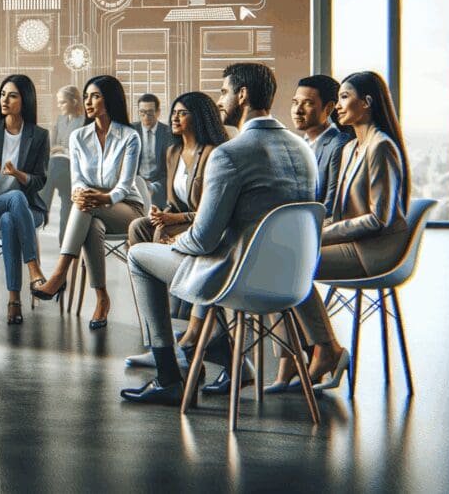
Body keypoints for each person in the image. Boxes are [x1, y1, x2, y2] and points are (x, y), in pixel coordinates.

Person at [120, 63, 316, 405]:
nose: (221, 100)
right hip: (293, 280)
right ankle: (218, 355)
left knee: (139, 256)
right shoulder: (303, 150)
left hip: (239, 278)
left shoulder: (230, 154)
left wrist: (173, 242)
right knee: (200, 262)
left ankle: (168, 377)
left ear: (243, 95)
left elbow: (203, 239)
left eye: (224, 92)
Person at [268, 71, 409, 393]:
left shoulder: (381, 147)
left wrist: (319, 235)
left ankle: (325, 350)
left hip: (375, 251)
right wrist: (313, 230)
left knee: (289, 265)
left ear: (367, 102)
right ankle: (304, 355)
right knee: (278, 260)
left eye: (345, 97)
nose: (339, 105)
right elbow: (342, 212)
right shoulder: (351, 148)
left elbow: (379, 220)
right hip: (354, 241)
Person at [123, 91, 228, 371]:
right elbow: (173, 200)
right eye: (174, 113)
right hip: (179, 218)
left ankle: (168, 341)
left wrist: (173, 218)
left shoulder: (212, 154)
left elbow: (211, 211)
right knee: (139, 227)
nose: (175, 118)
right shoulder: (173, 152)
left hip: (202, 224)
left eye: (183, 113)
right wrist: (160, 213)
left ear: (200, 117)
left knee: (158, 235)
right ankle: (157, 337)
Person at [32, 76, 144, 330]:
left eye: (95, 96)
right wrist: (79, 193)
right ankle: (102, 299)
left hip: (127, 208)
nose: (88, 102)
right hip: (93, 207)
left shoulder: (130, 136)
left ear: (110, 99)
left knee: (86, 206)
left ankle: (59, 274)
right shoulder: (79, 137)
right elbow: (79, 179)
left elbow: (125, 184)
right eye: (86, 97)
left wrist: (102, 198)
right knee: (90, 223)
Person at [0, 74, 50, 324]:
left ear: (25, 100)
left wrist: (18, 174)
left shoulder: (39, 136)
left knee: (9, 220)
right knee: (13, 198)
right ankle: (34, 269)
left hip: (27, 210)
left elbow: (40, 181)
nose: (4, 100)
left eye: (12, 95)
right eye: (3, 94)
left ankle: (14, 299)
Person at [290, 75, 351, 209]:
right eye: (295, 102)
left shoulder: (339, 145)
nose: (298, 110)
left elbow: (331, 205)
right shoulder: (299, 144)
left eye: (308, 103)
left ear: (328, 108)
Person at [38, 85, 84, 245]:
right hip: (57, 165)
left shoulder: (84, 122)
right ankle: (64, 243)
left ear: (74, 101)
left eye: (62, 102)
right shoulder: (60, 120)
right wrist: (60, 149)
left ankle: (41, 210)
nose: (59, 106)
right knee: (53, 165)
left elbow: (83, 151)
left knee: (66, 205)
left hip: (73, 169)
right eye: (58, 102)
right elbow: (51, 146)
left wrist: (63, 149)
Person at [136, 94, 178, 209]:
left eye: (150, 113)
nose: (146, 117)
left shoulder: (168, 133)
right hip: (137, 181)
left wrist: (152, 186)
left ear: (158, 112)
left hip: (160, 183)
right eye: (142, 112)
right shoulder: (131, 130)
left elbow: (171, 167)